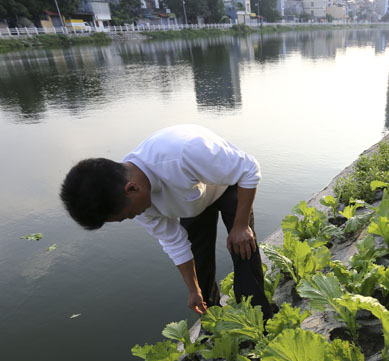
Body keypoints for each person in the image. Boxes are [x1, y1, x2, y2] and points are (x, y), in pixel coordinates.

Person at [59, 124, 273, 318]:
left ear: (132, 189)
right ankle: (213, 322)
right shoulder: (129, 196)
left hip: (227, 185)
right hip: (191, 200)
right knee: (199, 260)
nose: (133, 218)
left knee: (242, 247)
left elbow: (249, 170)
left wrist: (241, 225)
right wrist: (193, 290)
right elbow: (174, 242)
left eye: (128, 215)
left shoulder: (185, 152)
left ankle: (258, 319)